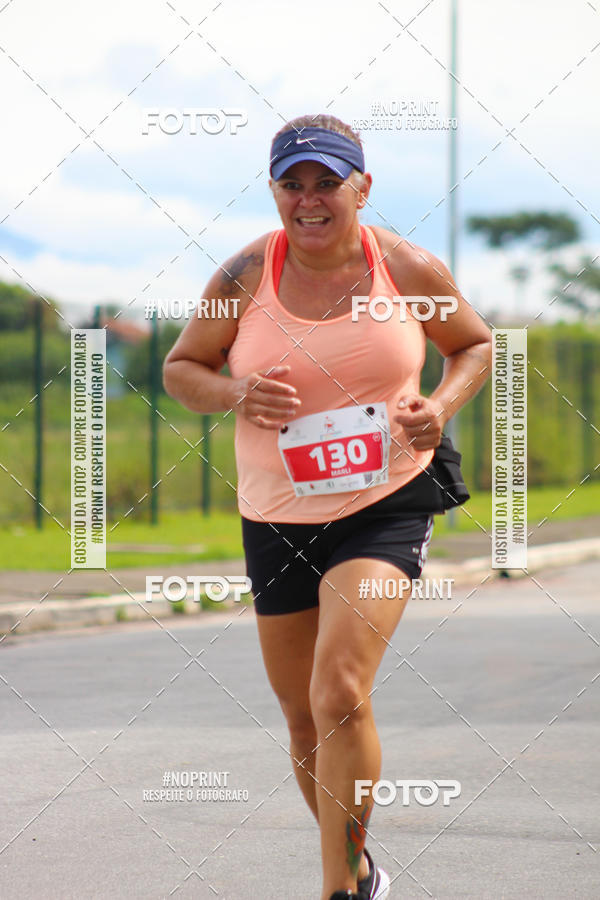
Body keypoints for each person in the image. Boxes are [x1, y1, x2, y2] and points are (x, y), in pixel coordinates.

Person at [163, 114, 492, 900]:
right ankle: (361, 867)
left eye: (327, 183)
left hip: (386, 500)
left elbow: (474, 345)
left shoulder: (406, 268)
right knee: (305, 720)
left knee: (339, 690)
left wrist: (440, 408)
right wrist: (235, 390)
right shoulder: (245, 274)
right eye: (292, 184)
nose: (309, 200)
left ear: (362, 187)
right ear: (275, 192)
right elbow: (183, 369)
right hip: (277, 513)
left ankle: (338, 890)